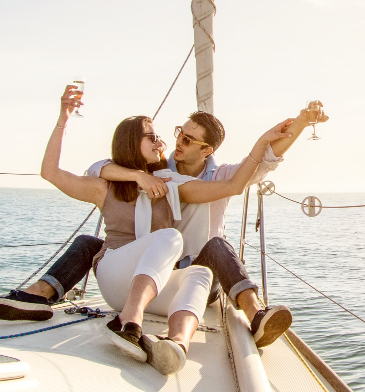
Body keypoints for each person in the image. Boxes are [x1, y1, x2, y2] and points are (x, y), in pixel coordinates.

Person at [25, 85, 290, 375]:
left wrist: (262, 141)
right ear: (131, 142)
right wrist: (63, 119)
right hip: (117, 284)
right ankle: (126, 320)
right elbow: (51, 172)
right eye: (152, 137)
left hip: (154, 288)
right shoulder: (105, 185)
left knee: (200, 273)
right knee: (165, 237)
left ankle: (176, 345)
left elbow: (232, 186)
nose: (161, 141)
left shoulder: (171, 184)